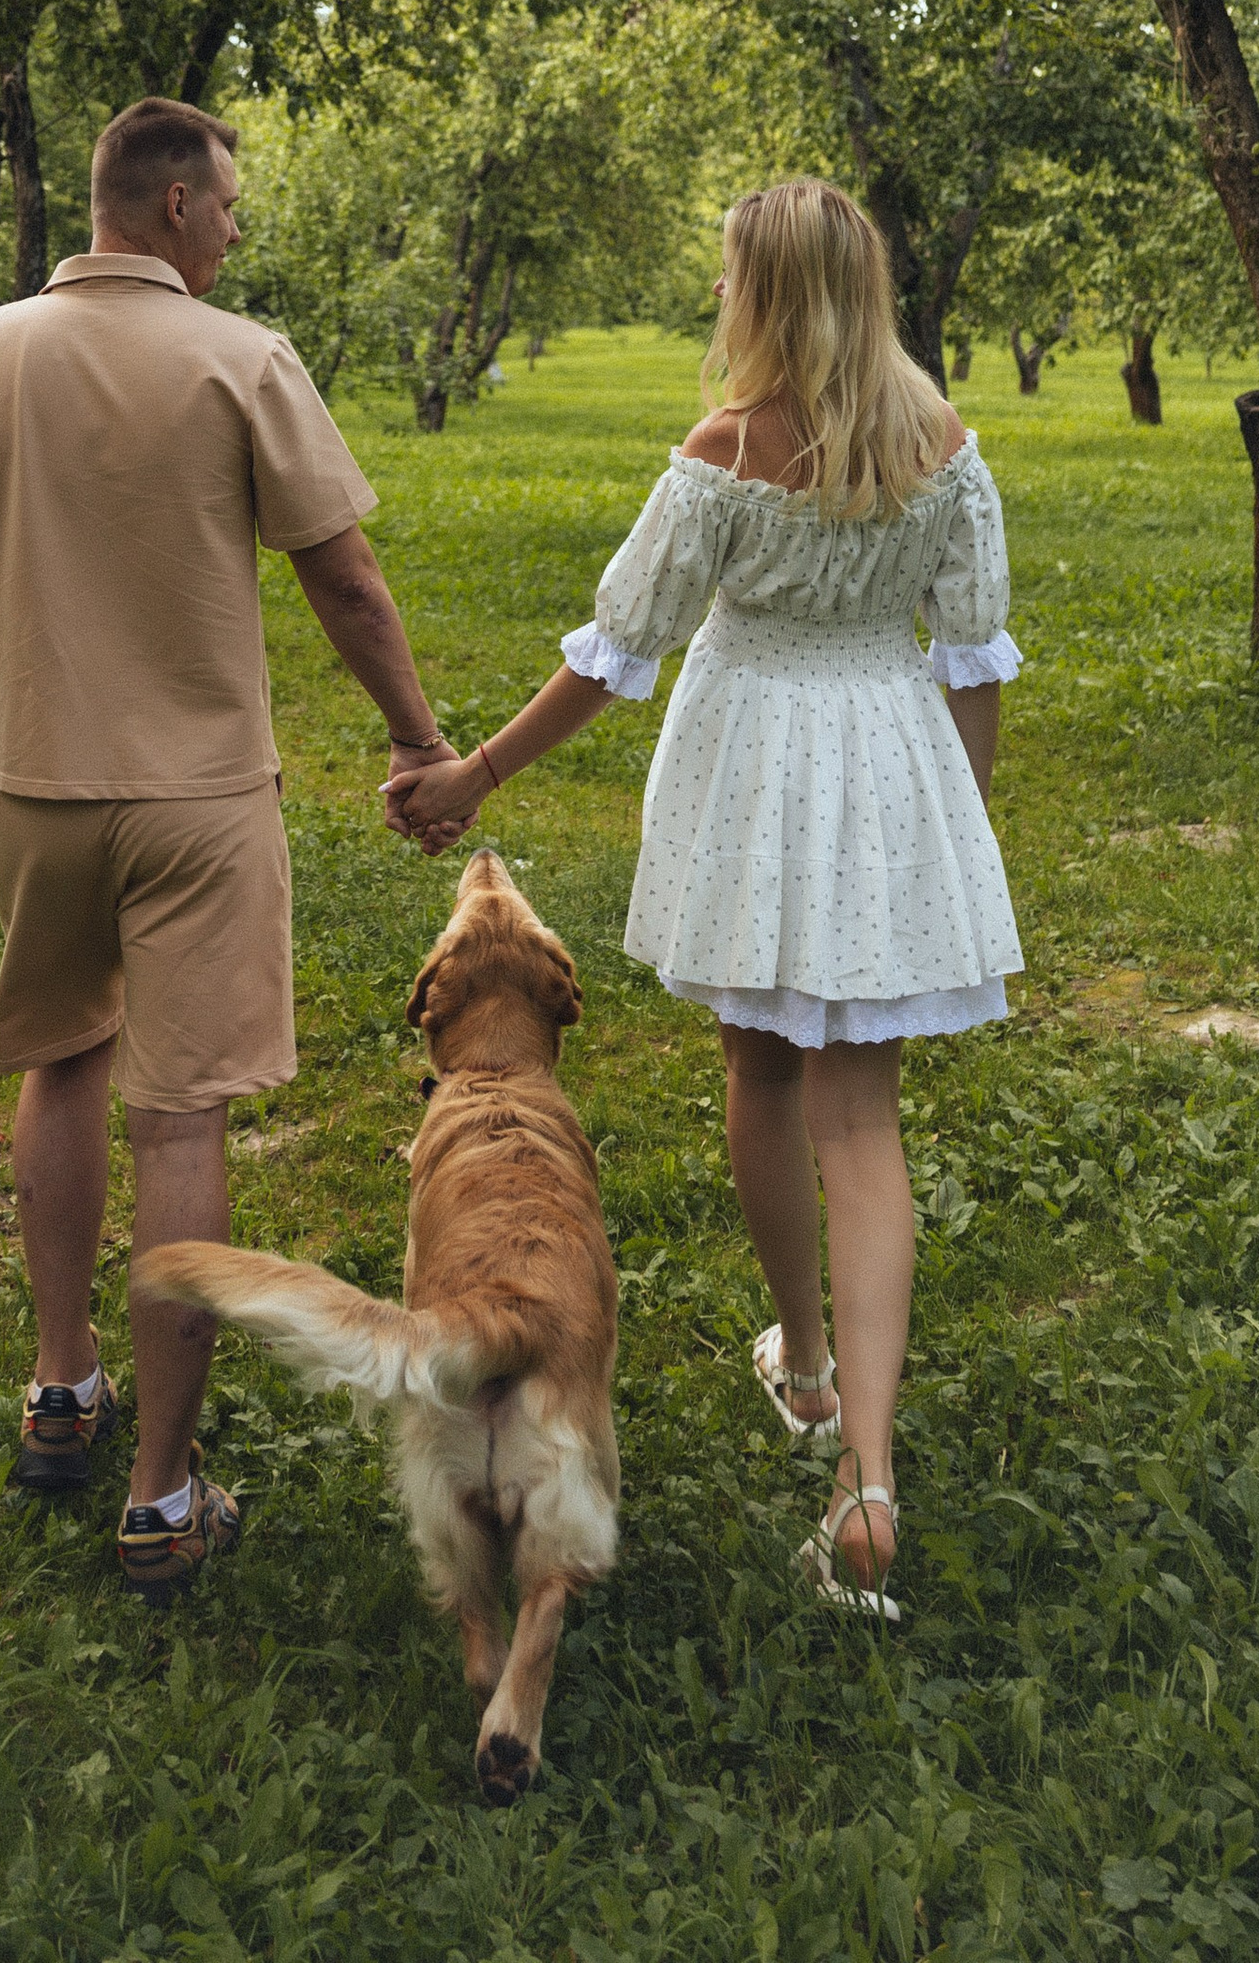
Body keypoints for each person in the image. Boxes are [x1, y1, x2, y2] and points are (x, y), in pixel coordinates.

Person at [0, 95, 462, 1602]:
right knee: (182, 1122)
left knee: (63, 1060)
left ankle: (62, 1391)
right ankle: (164, 1495)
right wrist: (418, 739)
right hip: (198, 801)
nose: (237, 229)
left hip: (31, 789)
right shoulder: (241, 357)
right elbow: (348, 582)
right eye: (232, 206)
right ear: (178, 207)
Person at [397, 175, 1023, 1623]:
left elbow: (620, 652)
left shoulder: (730, 449)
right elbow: (975, 660)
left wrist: (476, 772)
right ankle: (866, 1476)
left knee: (759, 1067)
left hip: (755, 779)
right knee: (865, 1120)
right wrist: (953, 830)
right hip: (884, 774)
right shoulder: (946, 447)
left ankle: (801, 1363)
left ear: (766, 293)